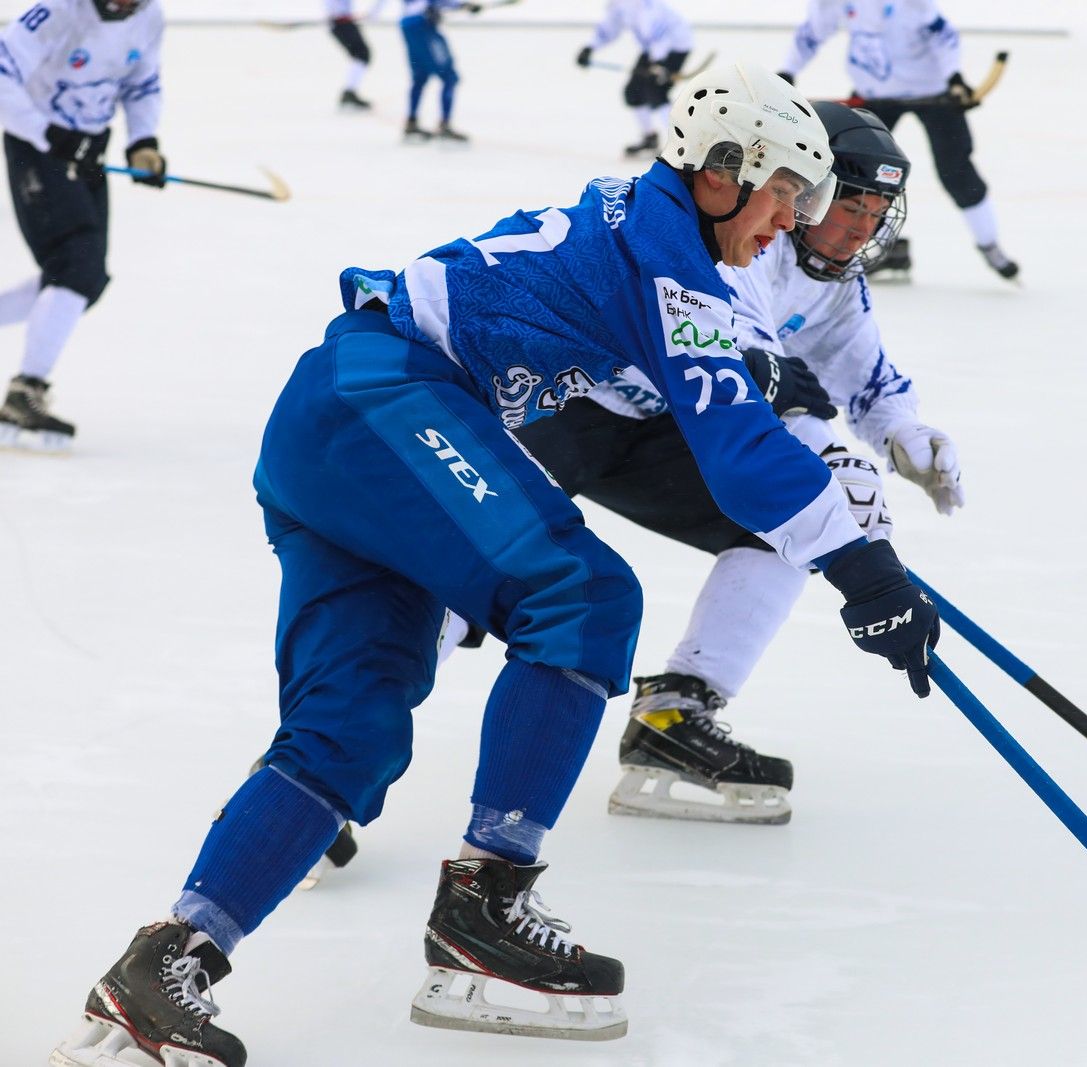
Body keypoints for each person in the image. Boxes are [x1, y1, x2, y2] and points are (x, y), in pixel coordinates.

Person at [47, 64, 939, 1066]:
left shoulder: (660, 234)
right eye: (783, 193)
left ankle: (166, 965)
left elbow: (709, 394)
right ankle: (487, 903)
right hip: (382, 397)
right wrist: (865, 569)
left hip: (342, 424)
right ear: (723, 171)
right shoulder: (668, 254)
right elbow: (734, 450)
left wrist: (806, 442)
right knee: (585, 593)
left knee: (351, 729)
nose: (790, 222)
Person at [490, 101, 962, 825]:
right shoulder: (748, 242)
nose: (863, 228)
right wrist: (834, 467)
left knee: (781, 529)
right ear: (803, 192)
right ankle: (326, 765)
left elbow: (859, 375)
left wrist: (902, 432)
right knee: (466, 588)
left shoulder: (834, 280)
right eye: (851, 205)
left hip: (658, 430)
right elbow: (747, 391)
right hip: (563, 406)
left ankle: (673, 719)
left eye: (878, 212)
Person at [0, 0, 166, 452]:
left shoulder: (149, 17)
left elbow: (141, 84)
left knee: (85, 279)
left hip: (88, 145)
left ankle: (27, 385)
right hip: (37, 145)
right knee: (76, 261)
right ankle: (25, 388)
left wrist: (142, 142)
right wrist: (45, 132)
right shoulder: (57, 11)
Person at [778, 0, 1020, 282]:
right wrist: (788, 71)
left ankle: (989, 243)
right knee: (857, 173)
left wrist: (953, 77)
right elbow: (814, 31)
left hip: (933, 92)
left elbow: (942, 36)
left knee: (956, 171)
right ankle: (879, 246)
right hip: (876, 93)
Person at [575, 0, 693, 158]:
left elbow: (659, 32)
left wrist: (658, 63)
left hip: (674, 47)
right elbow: (610, 27)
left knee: (656, 91)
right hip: (652, 50)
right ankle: (649, 138)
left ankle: (679, 145)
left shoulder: (648, 5)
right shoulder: (619, 4)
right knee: (633, 93)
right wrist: (590, 47)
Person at [398, 0, 479, 142]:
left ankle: (411, 122)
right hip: (422, 28)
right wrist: (463, 6)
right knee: (449, 77)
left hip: (410, 26)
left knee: (420, 76)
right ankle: (444, 125)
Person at [327, 0, 379, 110]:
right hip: (341, 22)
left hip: (342, 22)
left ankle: (350, 90)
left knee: (361, 55)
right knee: (362, 55)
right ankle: (349, 91)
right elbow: (336, 9)